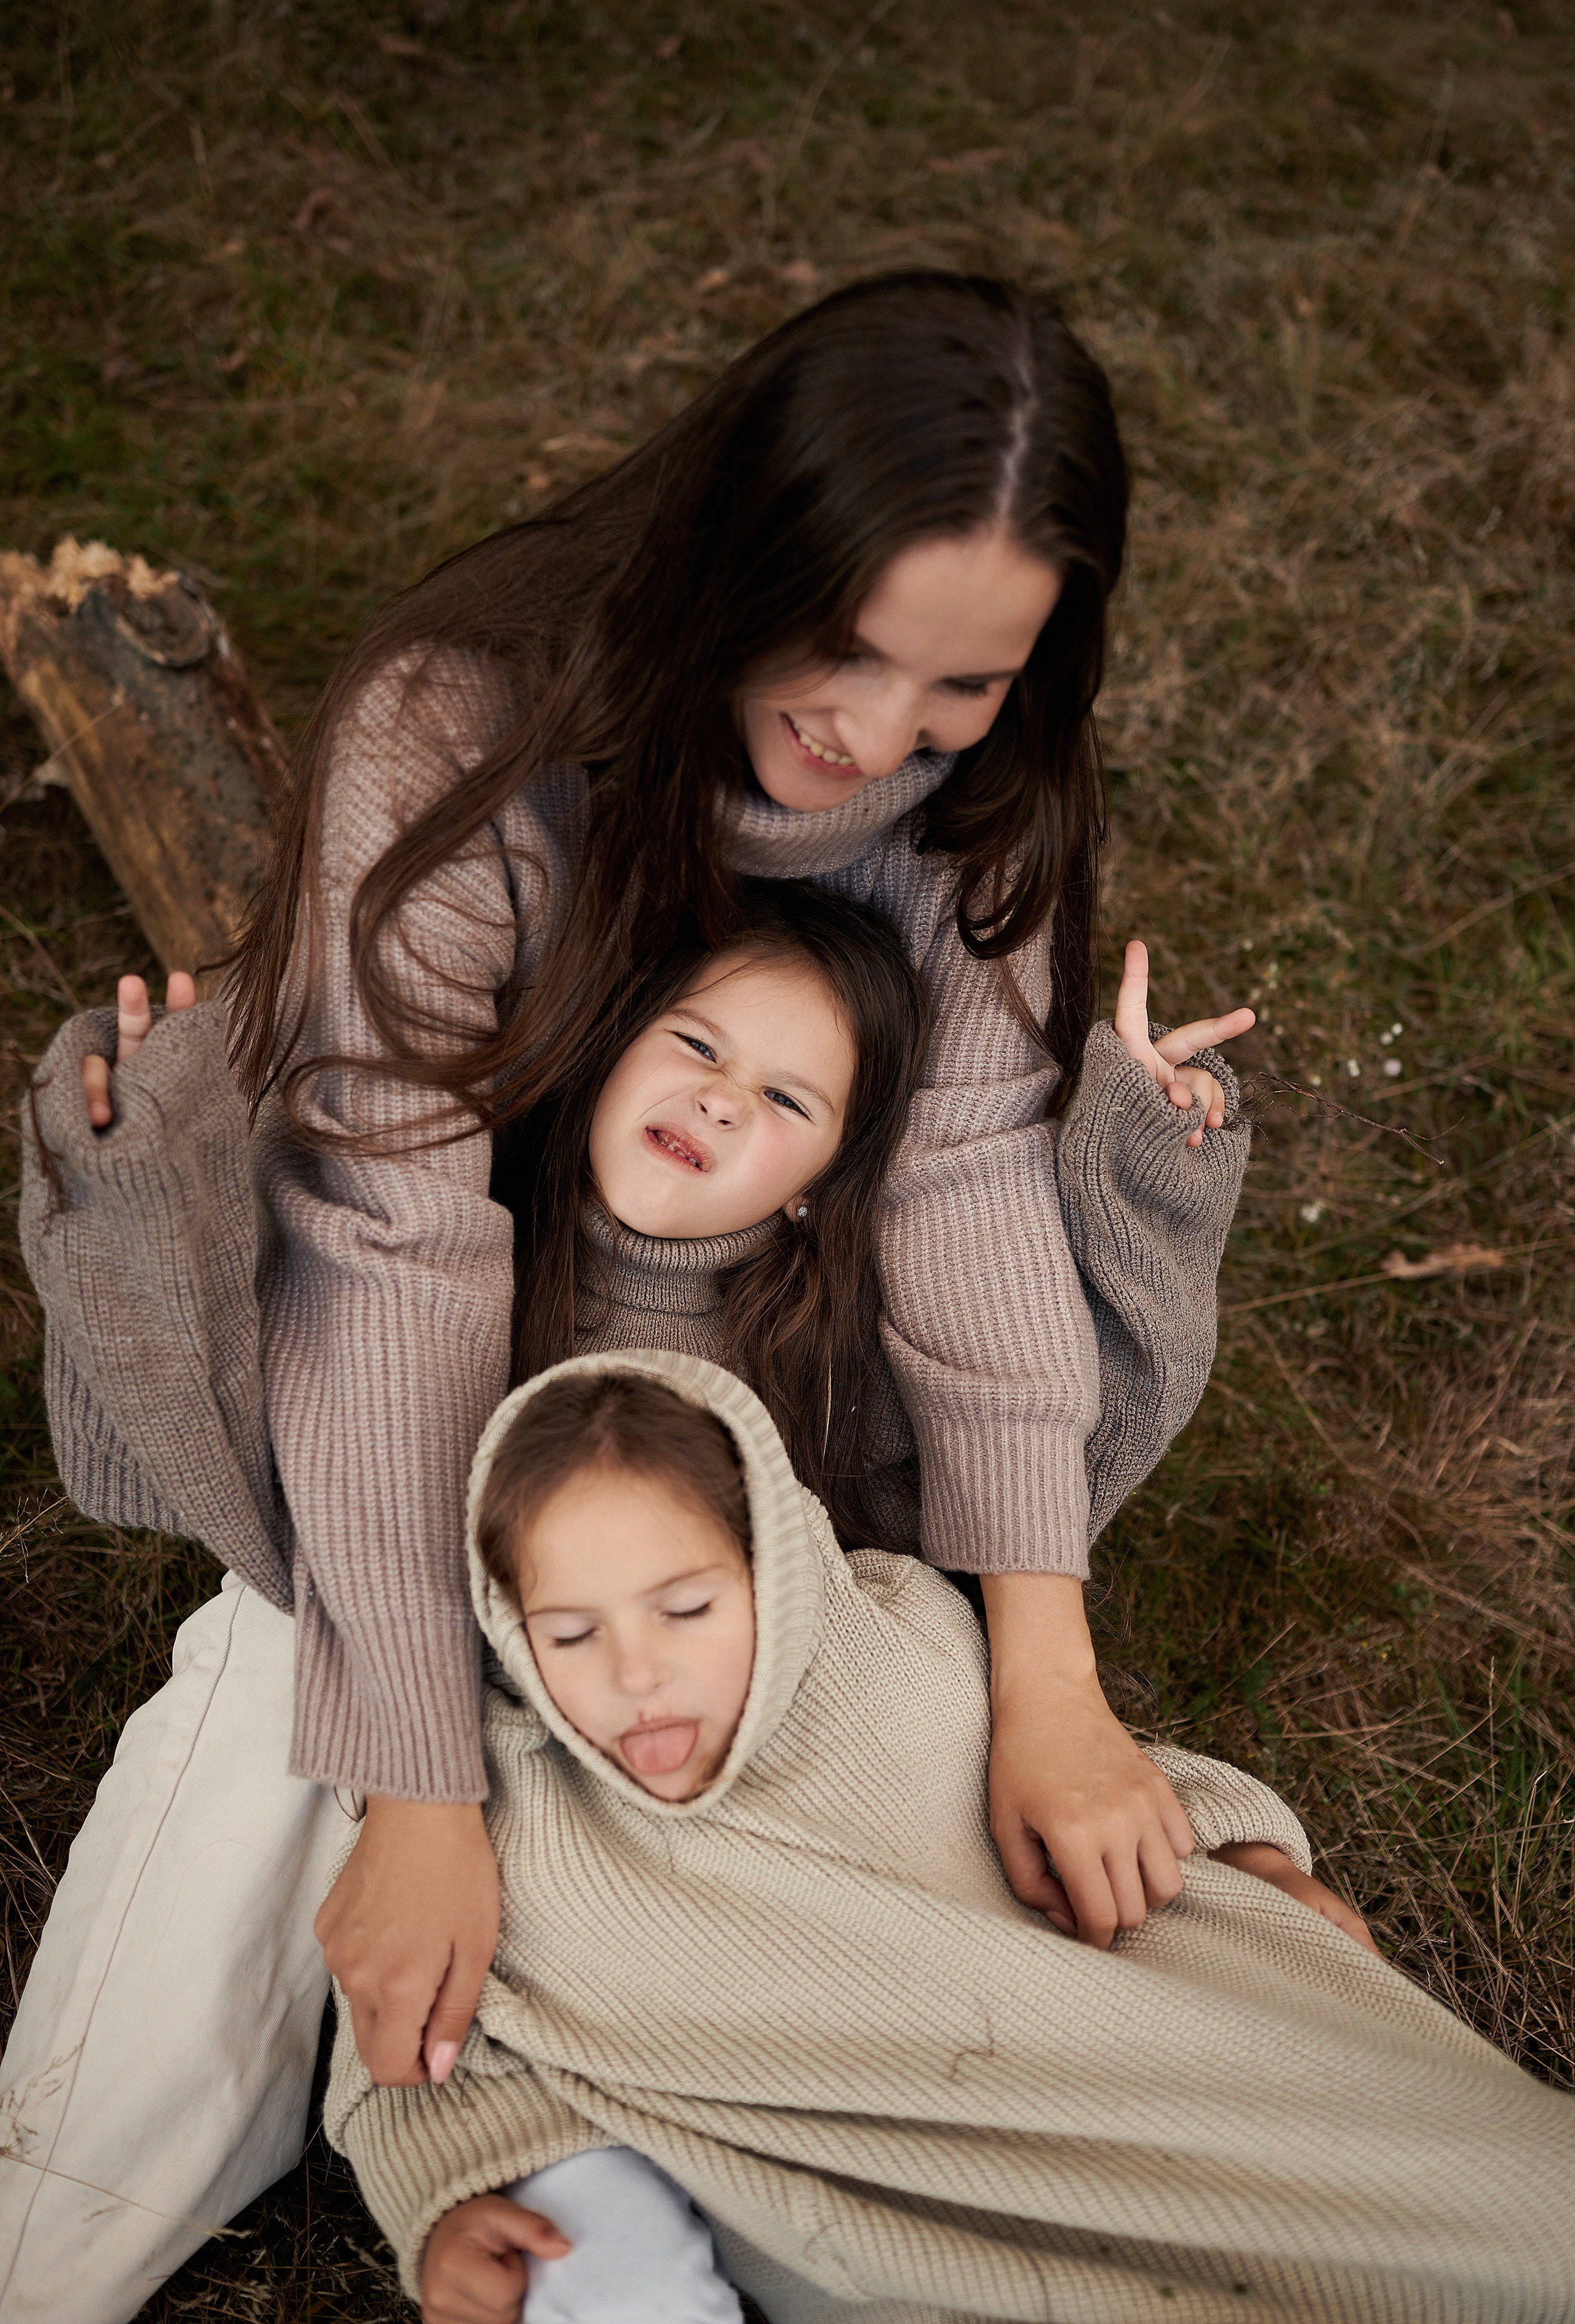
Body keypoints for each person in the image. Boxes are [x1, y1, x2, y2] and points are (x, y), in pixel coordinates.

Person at [5, 271, 1256, 2320]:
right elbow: (391, 1241)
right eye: (847, 651)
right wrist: (417, 1779)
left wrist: (1045, 1668)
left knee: (831, 1793)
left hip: (746, 1394)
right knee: (274, 1729)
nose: (879, 737)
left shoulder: (980, 799)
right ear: (742, 554)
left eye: (965, 685)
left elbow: (957, 1187)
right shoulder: (466, 723)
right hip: (410, 1381)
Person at [332, 1353, 1575, 2324]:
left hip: (1156, 2058)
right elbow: (419, 2050)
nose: (638, 1672)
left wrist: (1252, 1850)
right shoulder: (522, 1821)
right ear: (506, 1629)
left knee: (1518, 2214)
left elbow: (1097, 1770)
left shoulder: (899, 1646)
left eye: (687, 1607)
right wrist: (446, 2200)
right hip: (901, 2217)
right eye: (569, 1632)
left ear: (774, 1563)